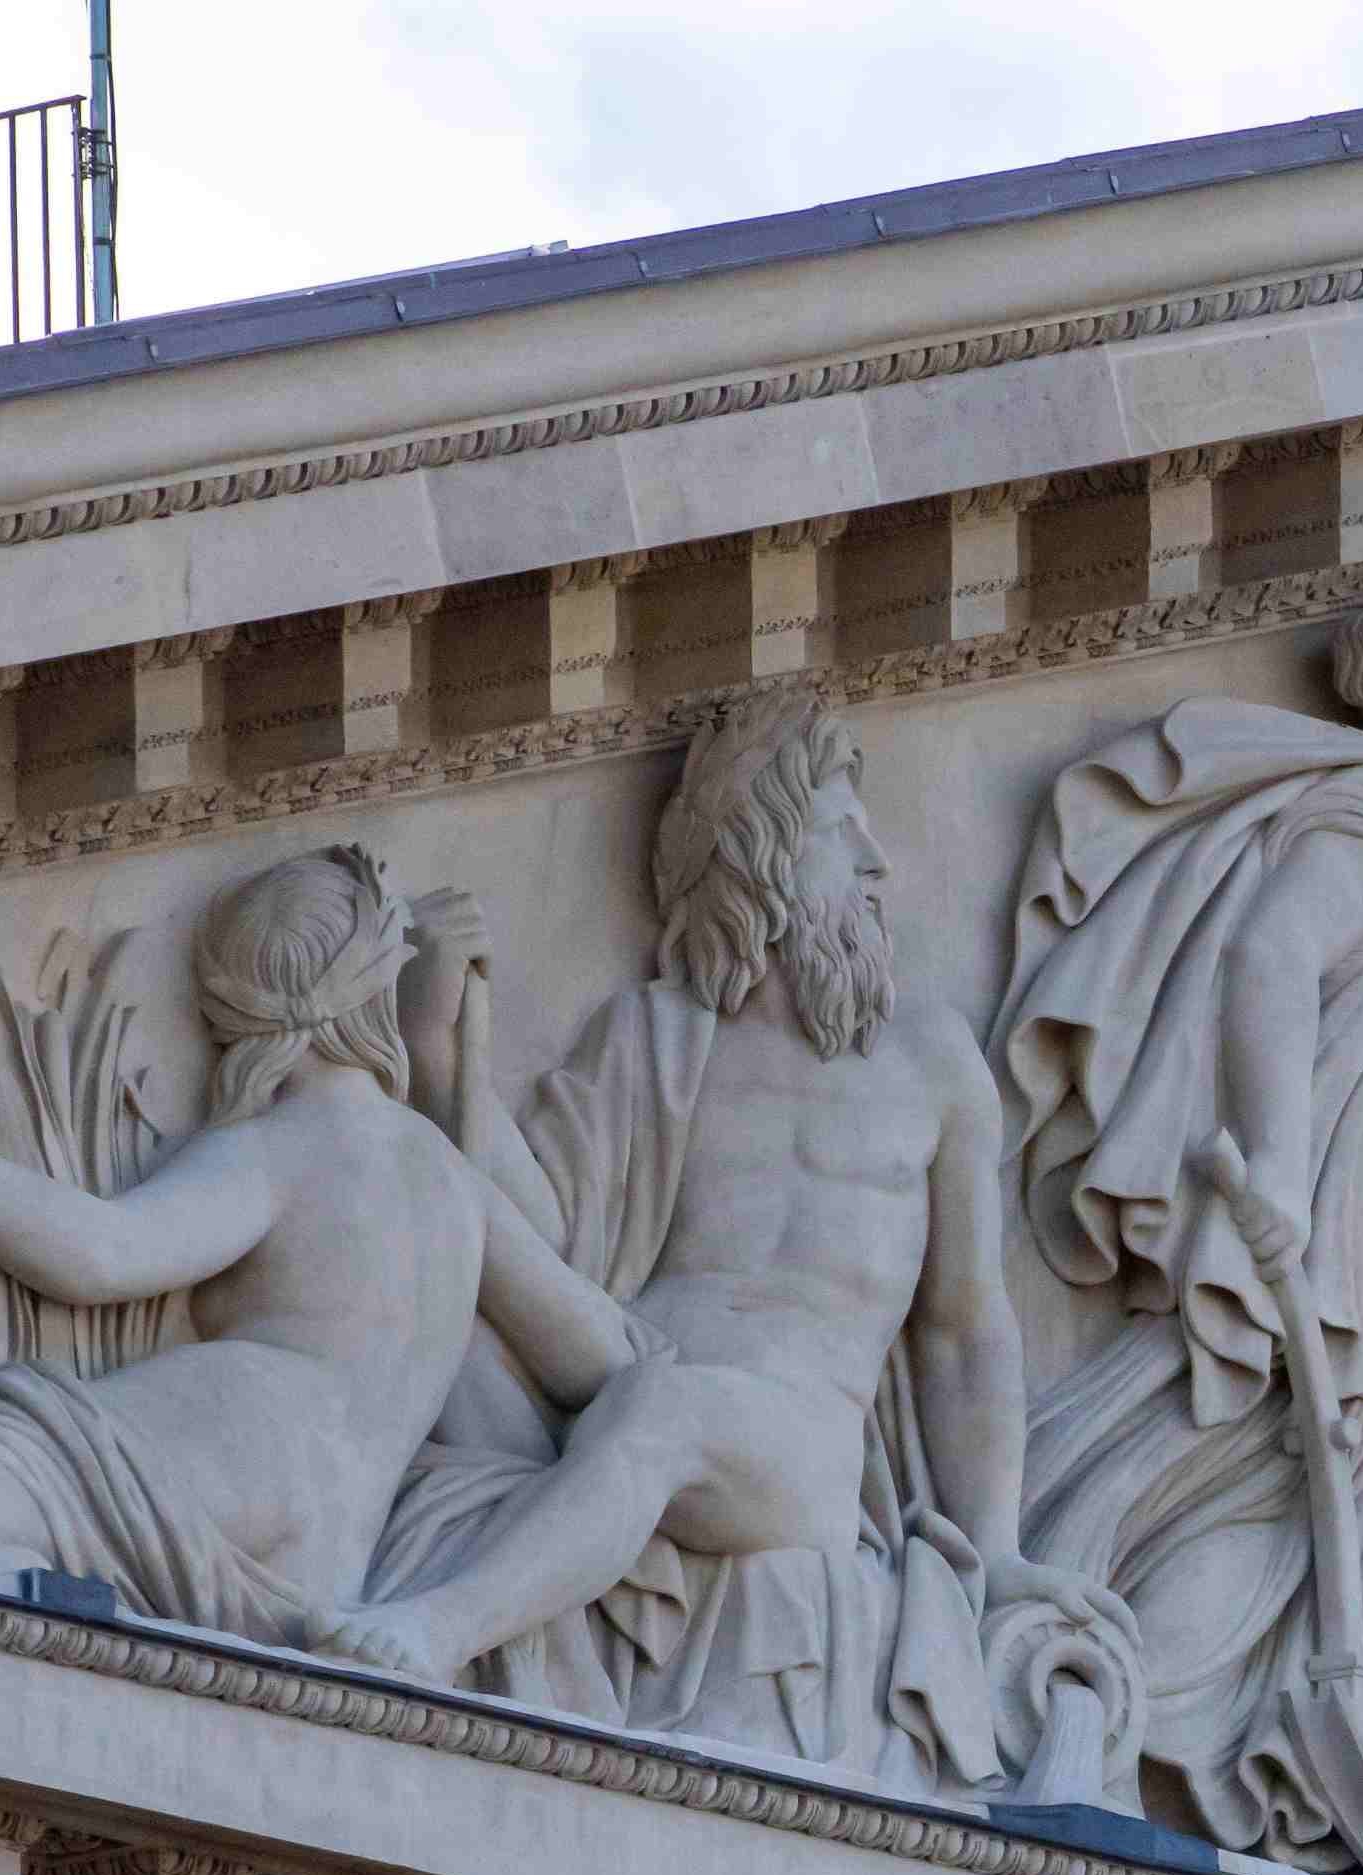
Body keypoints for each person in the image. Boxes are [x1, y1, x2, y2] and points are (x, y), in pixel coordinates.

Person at [985, 554, 1363, 1875]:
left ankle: (1089, 1714)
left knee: (1251, 1525)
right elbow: (1275, 954)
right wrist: (1279, 1180)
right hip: (1347, 1261)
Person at [362, 692, 1028, 1791]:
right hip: (626, 1367)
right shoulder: (658, 1037)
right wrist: (441, 1045)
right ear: (757, 863)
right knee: (431, 1218)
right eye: (838, 830)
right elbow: (544, 1231)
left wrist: (994, 1550)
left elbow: (964, 1328)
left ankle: (434, 1632)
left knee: (665, 1413)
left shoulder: (932, 1065)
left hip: (796, 1450)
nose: (878, 863)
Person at [0, 845, 549, 1644]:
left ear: (243, 1017)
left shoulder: (290, 1143)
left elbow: (102, 1253)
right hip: (331, 1548)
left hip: (239, 1441)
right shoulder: (458, 1183)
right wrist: (456, 1054)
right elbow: (601, 1341)